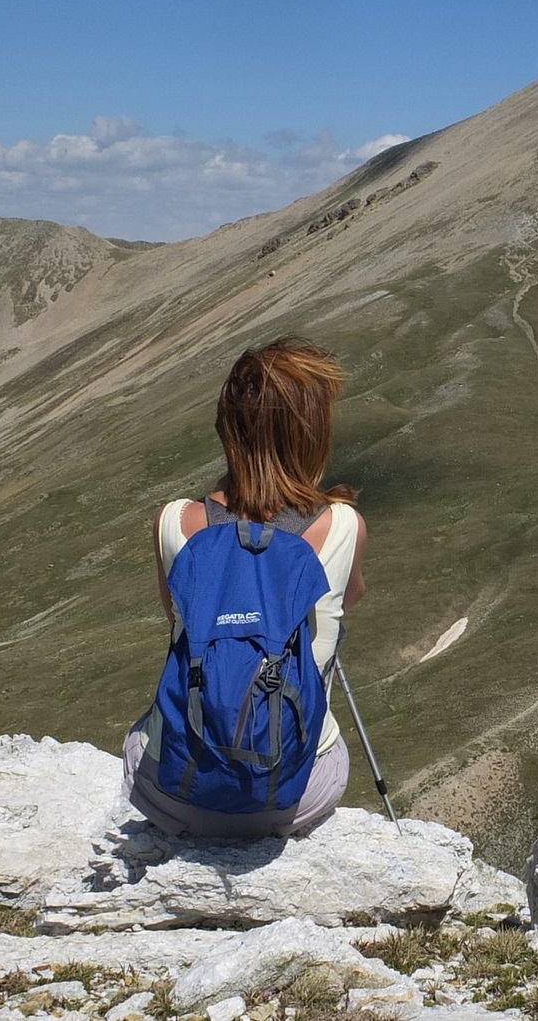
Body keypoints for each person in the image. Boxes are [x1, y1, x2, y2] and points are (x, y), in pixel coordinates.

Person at [123, 336, 368, 837]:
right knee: (329, 746)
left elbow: (178, 615)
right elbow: (353, 595)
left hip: (174, 794)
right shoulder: (344, 526)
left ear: (227, 427)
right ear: (311, 434)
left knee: (141, 734)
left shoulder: (174, 522)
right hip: (291, 796)